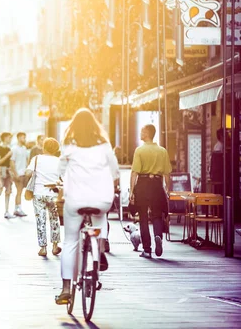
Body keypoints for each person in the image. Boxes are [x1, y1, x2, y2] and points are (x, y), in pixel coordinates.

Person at [55, 108, 119, 305]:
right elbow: (115, 173)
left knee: (70, 241)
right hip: (102, 201)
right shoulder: (104, 146)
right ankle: (98, 249)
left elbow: (60, 171)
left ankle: (66, 288)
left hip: (76, 201)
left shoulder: (69, 146)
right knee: (100, 221)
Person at [130, 124, 172, 259]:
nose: (140, 133)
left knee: (143, 216)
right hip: (157, 184)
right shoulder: (162, 151)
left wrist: (131, 192)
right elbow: (167, 174)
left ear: (147, 133)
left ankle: (147, 250)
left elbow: (134, 173)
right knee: (157, 215)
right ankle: (158, 235)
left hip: (142, 184)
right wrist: (167, 190)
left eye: (142, 131)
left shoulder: (139, 151)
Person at [25, 137, 62, 257]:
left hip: (39, 193)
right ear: (56, 149)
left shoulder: (36, 159)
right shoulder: (59, 161)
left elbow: (28, 173)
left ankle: (43, 248)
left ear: (44, 147)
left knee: (40, 220)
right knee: (54, 220)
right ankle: (55, 246)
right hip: (53, 194)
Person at [10, 132, 29, 217]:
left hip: (24, 173)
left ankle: (18, 208)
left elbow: (26, 160)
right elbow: (12, 162)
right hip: (18, 173)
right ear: (18, 138)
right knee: (19, 191)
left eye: (25, 137)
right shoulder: (14, 148)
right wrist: (15, 173)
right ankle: (17, 209)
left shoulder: (24, 148)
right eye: (22, 137)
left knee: (20, 192)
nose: (24, 139)